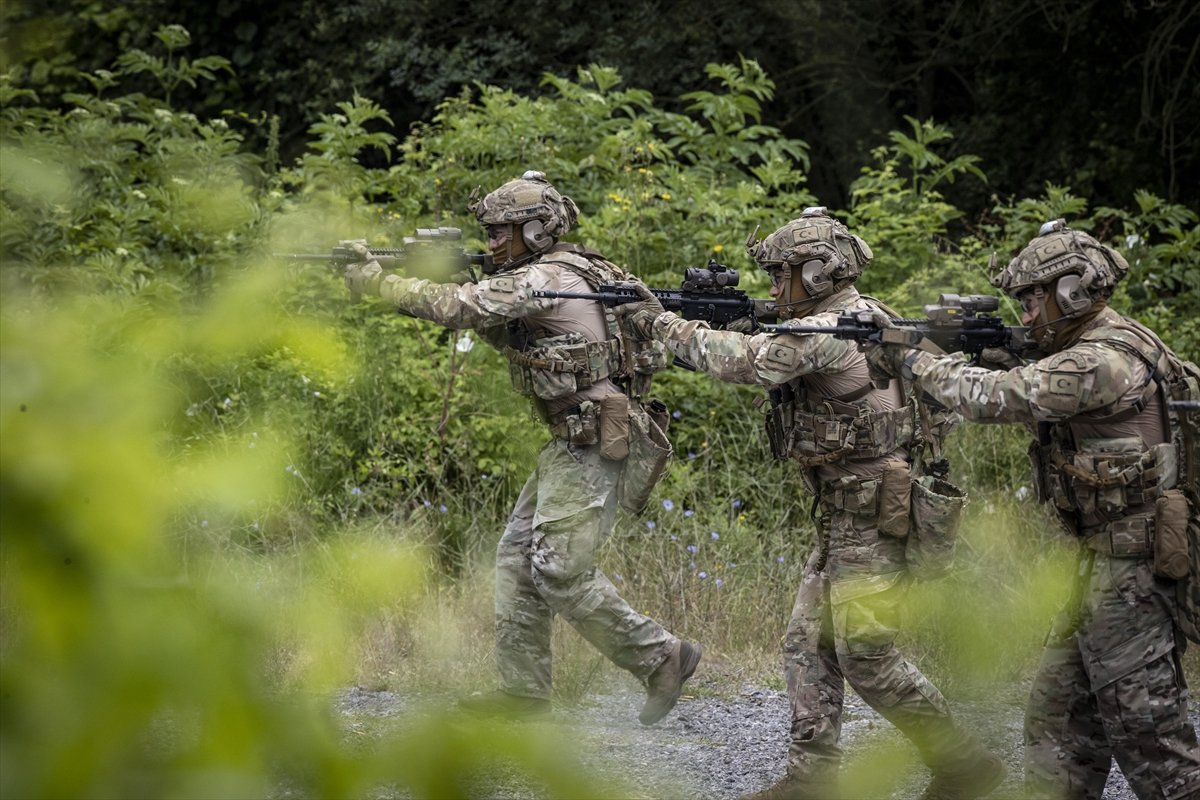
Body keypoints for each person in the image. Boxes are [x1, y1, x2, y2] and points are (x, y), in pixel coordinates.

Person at [613, 207, 1004, 799]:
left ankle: (964, 765)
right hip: (850, 512)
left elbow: (747, 363)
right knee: (807, 642)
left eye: (781, 275)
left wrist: (659, 324)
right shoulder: (858, 316)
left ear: (819, 274)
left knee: (866, 655)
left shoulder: (833, 331)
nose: (772, 287)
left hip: (872, 513)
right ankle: (812, 778)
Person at [342, 170, 701, 725]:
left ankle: (661, 657)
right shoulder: (574, 268)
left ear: (535, 231)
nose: (490, 244)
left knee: (558, 570)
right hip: (573, 440)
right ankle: (524, 692)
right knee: (515, 563)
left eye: (501, 232)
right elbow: (512, 338)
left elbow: (463, 307)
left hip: (593, 440)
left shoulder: (545, 276)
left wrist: (380, 283)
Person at [862, 219, 1200, 799]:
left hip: (1133, 571)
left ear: (1072, 292)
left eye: (1032, 300)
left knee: (1153, 743)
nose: (1025, 316)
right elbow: (1016, 374)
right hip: (1101, 564)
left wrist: (911, 358)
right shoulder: (1090, 348)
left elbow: (992, 398)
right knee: (1057, 724)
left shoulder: (1100, 360)